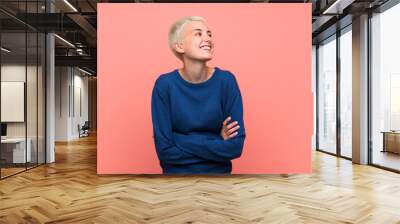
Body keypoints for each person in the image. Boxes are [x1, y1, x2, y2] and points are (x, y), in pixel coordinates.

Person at [151, 16, 246, 174]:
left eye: (209, 34)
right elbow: (165, 151)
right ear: (180, 46)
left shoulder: (226, 81)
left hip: (219, 179)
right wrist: (217, 141)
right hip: (175, 180)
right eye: (198, 33)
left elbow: (235, 147)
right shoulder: (164, 85)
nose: (208, 38)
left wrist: (179, 139)